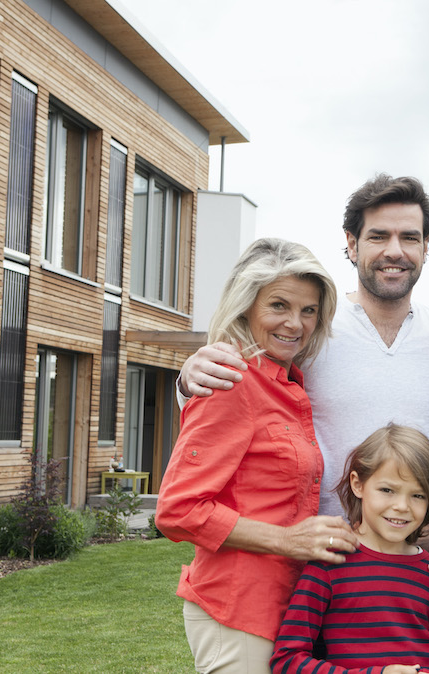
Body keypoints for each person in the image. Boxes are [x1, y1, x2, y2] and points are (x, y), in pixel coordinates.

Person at [176, 174, 429, 533]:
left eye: (409, 237)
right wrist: (187, 378)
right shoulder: (309, 331)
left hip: (415, 560)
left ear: (426, 248)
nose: (394, 251)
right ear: (352, 244)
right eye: (378, 236)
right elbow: (241, 395)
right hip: (315, 558)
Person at [155, 238, 359, 674]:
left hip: (284, 607)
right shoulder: (232, 382)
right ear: (246, 306)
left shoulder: (289, 384)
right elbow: (178, 510)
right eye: (279, 306)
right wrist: (287, 540)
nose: (295, 323)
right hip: (238, 608)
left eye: (308, 311)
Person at [271, 423, 429, 674]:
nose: (401, 506)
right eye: (387, 490)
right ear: (358, 484)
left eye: (417, 495)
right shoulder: (328, 564)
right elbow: (287, 659)